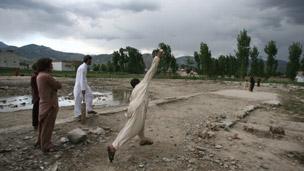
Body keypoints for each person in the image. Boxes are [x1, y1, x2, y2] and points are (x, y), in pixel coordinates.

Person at [107, 49, 164, 162]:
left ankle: (143, 139)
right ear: (139, 82)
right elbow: (152, 70)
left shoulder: (134, 92)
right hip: (139, 107)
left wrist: (128, 115)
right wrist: (158, 56)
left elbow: (130, 107)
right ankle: (114, 146)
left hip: (134, 108)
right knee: (132, 128)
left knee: (139, 124)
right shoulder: (143, 84)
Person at [35, 58, 62, 153]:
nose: (52, 66)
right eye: (51, 64)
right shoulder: (46, 76)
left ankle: (40, 142)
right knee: (48, 126)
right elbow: (58, 85)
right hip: (50, 105)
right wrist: (57, 82)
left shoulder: (39, 75)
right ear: (46, 66)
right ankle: (46, 145)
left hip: (43, 104)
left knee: (43, 125)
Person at [73, 55, 97, 121]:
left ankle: (89, 109)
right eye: (90, 60)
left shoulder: (85, 67)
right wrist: (83, 89)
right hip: (79, 86)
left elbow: (83, 79)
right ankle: (78, 115)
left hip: (84, 84)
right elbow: (81, 79)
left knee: (90, 95)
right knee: (78, 100)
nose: (91, 61)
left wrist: (85, 87)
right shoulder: (82, 68)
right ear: (87, 60)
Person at [30, 63, 39, 130]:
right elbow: (35, 88)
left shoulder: (35, 75)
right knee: (36, 110)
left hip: (36, 96)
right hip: (37, 96)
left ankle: (36, 124)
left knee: (36, 110)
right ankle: (35, 124)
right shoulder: (34, 76)